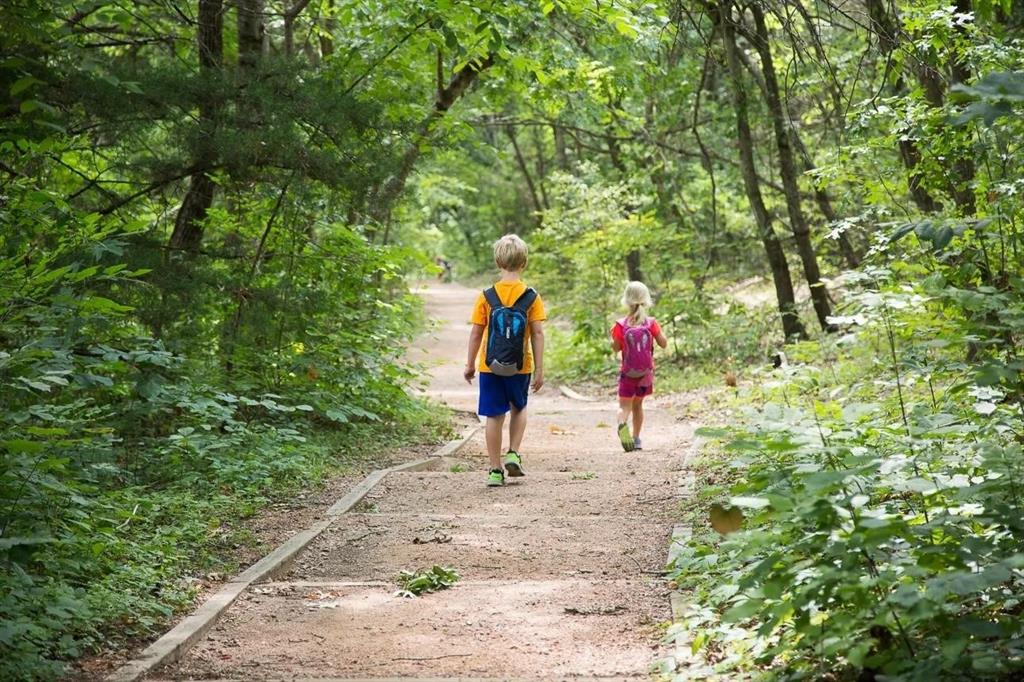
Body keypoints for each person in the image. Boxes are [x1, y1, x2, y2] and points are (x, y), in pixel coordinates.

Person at [464, 234, 546, 487]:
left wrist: (469, 365)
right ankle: (513, 452)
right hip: (521, 366)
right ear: (524, 263)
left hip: (490, 366)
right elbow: (538, 333)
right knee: (518, 408)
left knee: (494, 416)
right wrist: (540, 369)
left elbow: (476, 332)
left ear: (498, 261)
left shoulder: (486, 296)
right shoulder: (532, 296)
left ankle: (495, 470)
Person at [610, 281, 667, 452]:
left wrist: (613, 339)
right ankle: (636, 439)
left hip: (628, 373)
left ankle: (622, 424)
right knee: (638, 405)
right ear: (646, 299)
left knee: (624, 406)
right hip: (646, 374)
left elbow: (616, 348)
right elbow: (663, 344)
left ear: (626, 300)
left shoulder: (621, 324)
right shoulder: (651, 323)